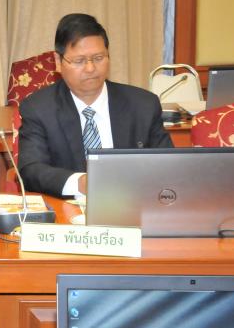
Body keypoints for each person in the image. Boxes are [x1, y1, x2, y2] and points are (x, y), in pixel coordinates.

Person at [18, 13, 172, 196]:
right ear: (58, 62)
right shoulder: (38, 109)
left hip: (133, 205)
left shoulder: (143, 105)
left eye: (98, 58)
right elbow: (31, 170)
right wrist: (80, 183)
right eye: (79, 61)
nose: (90, 68)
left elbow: (168, 165)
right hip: (67, 209)